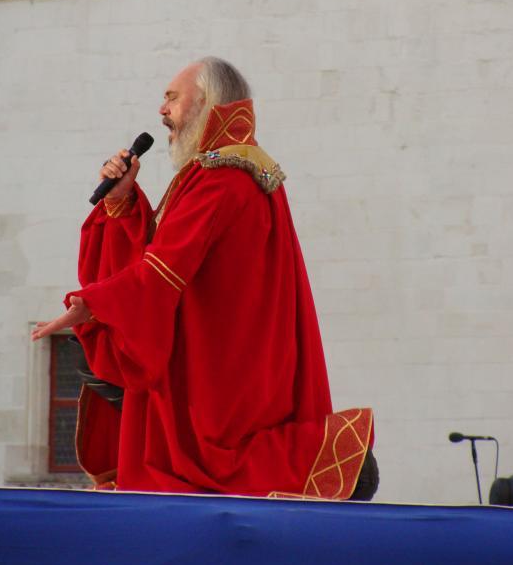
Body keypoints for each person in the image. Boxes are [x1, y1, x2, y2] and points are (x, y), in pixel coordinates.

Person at [32, 58, 376, 499]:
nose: (162, 110)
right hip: (226, 357)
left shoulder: (221, 178)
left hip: (213, 374)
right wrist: (121, 202)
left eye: (173, 97)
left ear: (209, 102)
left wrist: (92, 304)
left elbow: (161, 272)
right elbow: (161, 256)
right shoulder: (228, 171)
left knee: (208, 467)